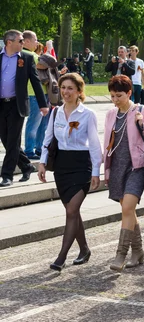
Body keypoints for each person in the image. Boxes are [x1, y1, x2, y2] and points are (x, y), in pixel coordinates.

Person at [38, 73, 102, 270]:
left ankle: (61, 257)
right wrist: (42, 163)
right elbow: (48, 139)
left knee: (72, 210)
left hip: (82, 164)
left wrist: (96, 171)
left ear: (79, 91)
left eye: (70, 88)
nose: (65, 92)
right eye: (63, 87)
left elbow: (94, 144)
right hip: (62, 166)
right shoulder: (56, 112)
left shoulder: (87, 114)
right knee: (72, 211)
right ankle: (84, 249)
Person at [103, 75, 144, 272]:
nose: (115, 99)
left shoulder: (143, 111)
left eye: (119, 95)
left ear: (129, 93)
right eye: (112, 96)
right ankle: (138, 252)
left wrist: (142, 126)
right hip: (118, 166)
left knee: (127, 207)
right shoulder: (111, 114)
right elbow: (107, 143)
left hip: (138, 166)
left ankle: (121, 254)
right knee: (129, 211)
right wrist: (105, 168)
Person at [0, 30, 48, 187]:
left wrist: (43, 105)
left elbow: (35, 81)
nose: (23, 43)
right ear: (9, 42)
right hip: (1, 104)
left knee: (13, 139)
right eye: (20, 41)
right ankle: (26, 165)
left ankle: (7, 175)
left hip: (17, 105)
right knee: (6, 140)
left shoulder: (26, 58)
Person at [23, 30, 46, 160]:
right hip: (33, 94)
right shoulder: (28, 54)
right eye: (35, 39)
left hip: (41, 93)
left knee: (42, 124)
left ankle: (38, 148)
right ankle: (29, 150)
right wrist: (50, 48)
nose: (37, 42)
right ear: (27, 41)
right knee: (34, 123)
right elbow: (45, 64)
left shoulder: (32, 54)